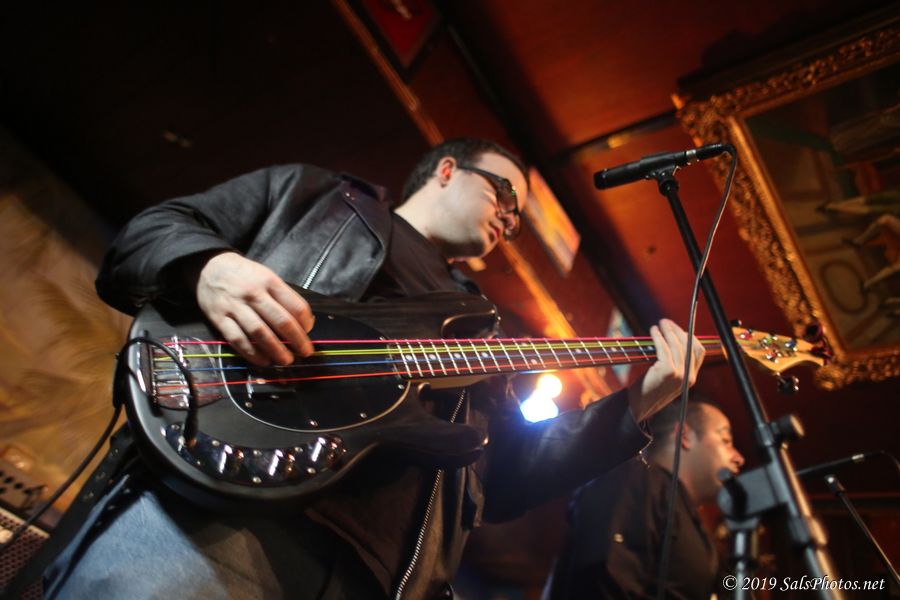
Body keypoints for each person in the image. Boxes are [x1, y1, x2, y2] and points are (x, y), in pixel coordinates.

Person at [39, 138, 706, 599]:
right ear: (447, 170)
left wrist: (637, 404)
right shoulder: (315, 196)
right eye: (504, 193)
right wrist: (210, 269)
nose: (511, 218)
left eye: (519, 219)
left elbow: (505, 480)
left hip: (379, 577)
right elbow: (147, 235)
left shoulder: (482, 327)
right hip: (222, 516)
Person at [544, 398, 745, 599]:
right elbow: (604, 581)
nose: (739, 458)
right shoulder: (636, 479)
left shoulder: (687, 514)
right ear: (684, 435)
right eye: (726, 440)